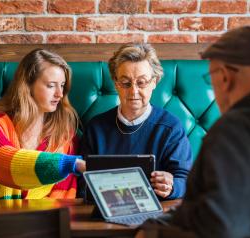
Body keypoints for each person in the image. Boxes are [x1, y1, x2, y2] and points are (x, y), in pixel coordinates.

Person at [138, 25, 250, 237]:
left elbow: (224, 228)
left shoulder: (231, 134)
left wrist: (154, 234)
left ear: (225, 77)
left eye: (210, 77)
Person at [0, 49, 86, 199]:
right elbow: (1, 162)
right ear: (27, 85)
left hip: (42, 219)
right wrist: (71, 164)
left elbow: (63, 195)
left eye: (62, 85)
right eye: (51, 85)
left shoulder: (64, 135)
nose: (60, 94)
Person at [80, 43, 192, 199]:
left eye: (142, 82)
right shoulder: (95, 128)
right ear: (116, 83)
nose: (133, 91)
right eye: (126, 83)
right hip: (106, 213)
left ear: (154, 82)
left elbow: (185, 179)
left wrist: (172, 187)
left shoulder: (171, 127)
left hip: (155, 213)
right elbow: (82, 183)